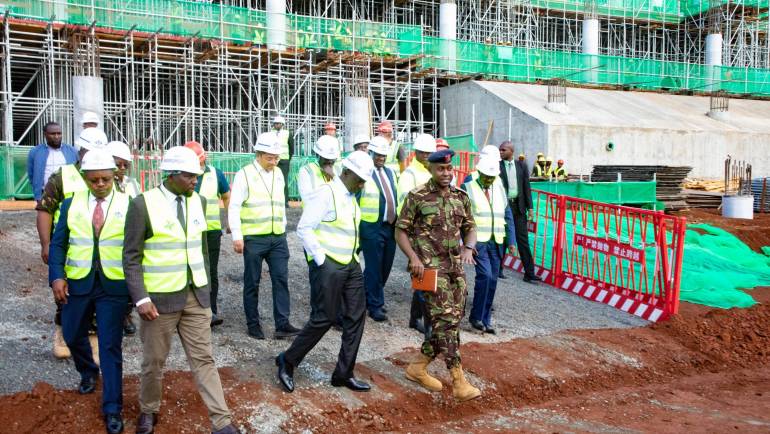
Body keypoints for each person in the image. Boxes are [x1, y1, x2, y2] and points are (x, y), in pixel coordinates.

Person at [123, 146, 240, 434]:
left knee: (204, 359)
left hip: (195, 297)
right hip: (159, 302)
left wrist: (206, 292)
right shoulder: (142, 205)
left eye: (197, 176)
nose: (195, 181)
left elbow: (201, 250)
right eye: (190, 176)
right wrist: (141, 298)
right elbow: (131, 257)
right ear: (172, 175)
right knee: (154, 362)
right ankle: (148, 410)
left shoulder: (198, 201)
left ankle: (221, 422)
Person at [275, 151, 374, 394]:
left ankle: (343, 373)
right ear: (346, 172)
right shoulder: (325, 194)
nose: (362, 184)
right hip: (329, 265)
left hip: (351, 264)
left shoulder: (351, 196)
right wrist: (321, 259)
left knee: (355, 318)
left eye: (364, 181)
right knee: (324, 318)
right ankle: (287, 360)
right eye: (359, 179)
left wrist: (354, 257)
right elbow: (304, 228)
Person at [48, 149, 130, 434]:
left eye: (105, 179)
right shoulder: (71, 205)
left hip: (114, 286)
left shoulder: (129, 203)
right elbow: (59, 243)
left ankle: (112, 408)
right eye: (94, 180)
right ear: (84, 178)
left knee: (109, 345)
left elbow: (135, 250)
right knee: (71, 334)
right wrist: (57, 276)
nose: (100, 185)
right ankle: (87, 371)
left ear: (114, 176)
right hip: (78, 283)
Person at [395, 148, 481, 402]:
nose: (446, 173)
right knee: (444, 321)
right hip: (429, 270)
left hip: (455, 268)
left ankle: (417, 367)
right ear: (431, 169)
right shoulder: (417, 196)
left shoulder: (460, 197)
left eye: (449, 168)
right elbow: (400, 231)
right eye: (441, 169)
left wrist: (468, 247)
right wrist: (413, 258)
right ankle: (458, 380)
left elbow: (470, 227)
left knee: (452, 320)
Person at [36, 127, 109, 359]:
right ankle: (63, 332)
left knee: (97, 292)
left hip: (99, 248)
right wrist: (46, 243)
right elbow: (45, 210)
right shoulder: (62, 176)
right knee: (64, 293)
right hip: (67, 245)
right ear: (80, 149)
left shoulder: (108, 178)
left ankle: (93, 341)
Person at [228, 133, 299, 340]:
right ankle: (253, 324)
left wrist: (283, 227)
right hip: (254, 239)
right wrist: (237, 236)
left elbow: (279, 203)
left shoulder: (278, 173)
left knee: (281, 279)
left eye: (276, 157)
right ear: (258, 154)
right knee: (252, 282)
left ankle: (282, 324)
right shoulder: (245, 174)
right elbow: (234, 206)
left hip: (277, 237)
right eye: (270, 157)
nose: (274, 161)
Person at [185, 141, 232, 327]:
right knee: (186, 270)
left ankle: (210, 311)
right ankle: (186, 311)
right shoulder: (182, 175)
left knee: (210, 271)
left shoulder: (215, 174)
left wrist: (229, 220)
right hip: (187, 231)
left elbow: (227, 195)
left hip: (211, 231)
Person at [396, 133, 436, 336]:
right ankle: (425, 322)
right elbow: (403, 207)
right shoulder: (409, 175)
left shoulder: (434, 172)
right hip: (417, 232)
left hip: (434, 232)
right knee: (423, 274)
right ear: (416, 152)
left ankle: (415, 317)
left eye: (430, 152)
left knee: (428, 275)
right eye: (423, 152)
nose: (427, 155)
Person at [462, 156, 506, 335]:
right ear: (479, 172)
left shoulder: (498, 186)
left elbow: (506, 211)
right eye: (486, 176)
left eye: (492, 176)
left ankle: (486, 319)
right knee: (485, 276)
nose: (489, 179)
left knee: (493, 280)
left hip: (496, 240)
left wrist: (510, 240)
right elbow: (462, 218)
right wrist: (465, 244)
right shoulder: (468, 187)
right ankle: (476, 316)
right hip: (478, 241)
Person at [358, 136, 398, 322]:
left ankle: (367, 297)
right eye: (378, 154)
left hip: (390, 226)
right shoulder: (364, 173)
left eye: (383, 155)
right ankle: (375, 305)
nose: (381, 158)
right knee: (373, 267)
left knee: (385, 266)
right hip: (371, 226)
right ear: (370, 152)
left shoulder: (390, 172)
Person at [106, 140, 141, 336]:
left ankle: (126, 314)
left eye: (124, 165)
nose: (121, 169)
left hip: (129, 240)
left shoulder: (131, 185)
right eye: (117, 164)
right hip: (109, 241)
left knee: (129, 281)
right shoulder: (102, 184)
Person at [499, 141, 540, 283]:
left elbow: (526, 188)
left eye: (503, 150)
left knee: (523, 240)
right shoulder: (498, 166)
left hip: (519, 207)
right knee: (503, 238)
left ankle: (529, 273)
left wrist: (530, 208)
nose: (501, 152)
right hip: (504, 206)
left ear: (511, 150)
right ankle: (498, 269)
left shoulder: (521, 165)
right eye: (500, 150)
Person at [27, 121, 78, 202]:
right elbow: (31, 174)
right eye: (53, 134)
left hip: (67, 194)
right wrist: (38, 192)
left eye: (59, 133)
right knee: (44, 215)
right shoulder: (35, 152)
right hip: (45, 195)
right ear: (45, 134)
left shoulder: (72, 151)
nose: (56, 136)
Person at [297, 135, 340, 203]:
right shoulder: (306, 171)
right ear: (317, 155)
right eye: (327, 159)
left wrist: (333, 177)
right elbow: (307, 198)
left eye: (333, 158)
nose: (330, 161)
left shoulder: (338, 170)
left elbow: (345, 195)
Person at [271, 115, 293, 202]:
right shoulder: (270, 133)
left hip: (284, 161)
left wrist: (287, 159)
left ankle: (285, 201)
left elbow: (291, 148)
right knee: (272, 180)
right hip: (273, 160)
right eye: (275, 124)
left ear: (282, 124)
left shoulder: (287, 133)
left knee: (283, 181)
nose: (277, 125)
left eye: (278, 124)